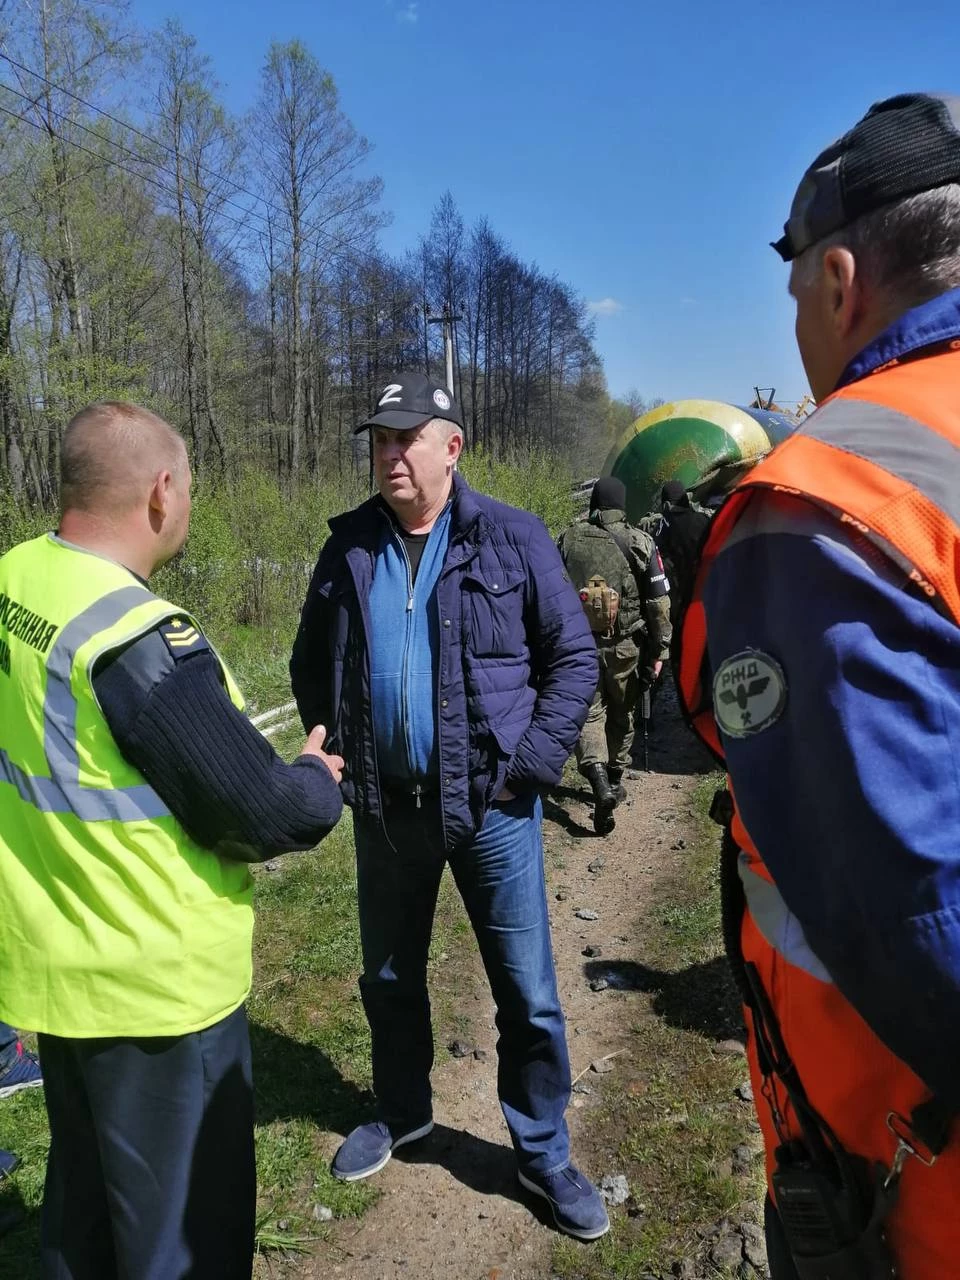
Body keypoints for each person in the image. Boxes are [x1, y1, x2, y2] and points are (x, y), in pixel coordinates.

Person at [678, 93, 960, 1279]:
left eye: (795, 288)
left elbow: (926, 925)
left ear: (839, 277)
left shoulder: (823, 510)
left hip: (910, 1193)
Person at [0, 401, 345, 1279]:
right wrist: (314, 777)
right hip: (157, 991)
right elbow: (263, 814)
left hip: (58, 968)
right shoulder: (138, 640)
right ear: (161, 494)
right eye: (187, 486)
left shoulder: (17, 581)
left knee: (85, 1211)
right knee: (181, 1240)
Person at [291, 372, 609, 1241]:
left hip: (492, 812)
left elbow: (572, 659)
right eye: (378, 440)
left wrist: (529, 765)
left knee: (527, 993)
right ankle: (403, 1112)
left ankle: (542, 1153)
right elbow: (310, 663)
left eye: (404, 438)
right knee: (389, 978)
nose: (387, 453)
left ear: (451, 446)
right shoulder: (349, 546)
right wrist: (338, 757)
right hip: (386, 811)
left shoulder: (510, 536)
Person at [558, 477, 670, 832]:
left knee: (589, 715)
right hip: (626, 646)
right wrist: (660, 649)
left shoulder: (566, 539)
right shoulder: (640, 542)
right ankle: (615, 778)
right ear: (622, 505)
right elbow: (658, 604)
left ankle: (596, 779)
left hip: (578, 645)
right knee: (622, 712)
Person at [639, 480, 711, 625]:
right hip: (711, 592)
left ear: (666, 505)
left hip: (683, 602)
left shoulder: (661, 528)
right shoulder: (703, 520)